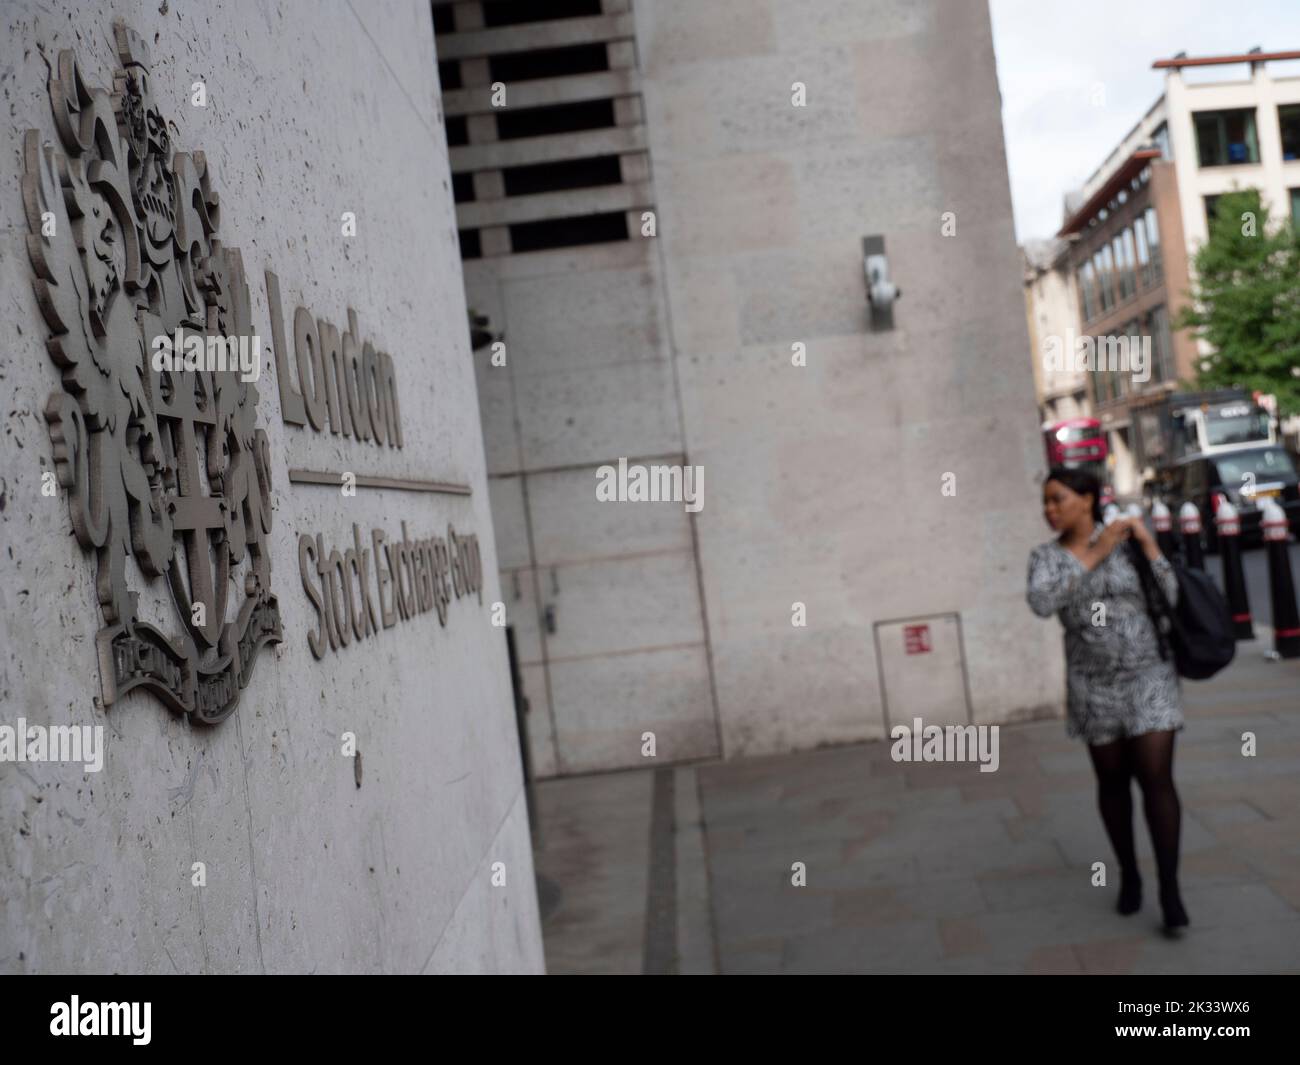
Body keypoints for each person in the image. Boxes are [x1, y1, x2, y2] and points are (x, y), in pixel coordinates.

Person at [1025, 466, 1189, 933]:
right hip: (1092, 684)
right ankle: (1130, 875)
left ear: (1088, 499)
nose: (1049, 509)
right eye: (1046, 502)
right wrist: (1094, 554)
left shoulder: (1127, 541)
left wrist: (1148, 542)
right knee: (1113, 783)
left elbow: (1171, 596)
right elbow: (1041, 602)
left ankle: (1171, 891)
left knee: (1157, 779)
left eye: (1058, 499)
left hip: (1148, 678)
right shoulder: (1046, 557)